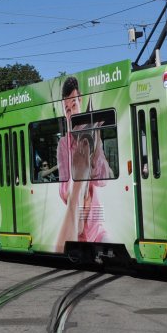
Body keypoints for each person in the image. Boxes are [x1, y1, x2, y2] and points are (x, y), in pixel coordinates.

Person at [55, 76, 112, 252]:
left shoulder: (93, 135)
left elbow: (104, 179)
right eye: (67, 109)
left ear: (80, 100)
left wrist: (93, 158)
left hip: (95, 229)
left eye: (74, 105)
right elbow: (64, 191)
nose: (71, 112)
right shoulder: (64, 145)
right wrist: (78, 176)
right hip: (76, 228)